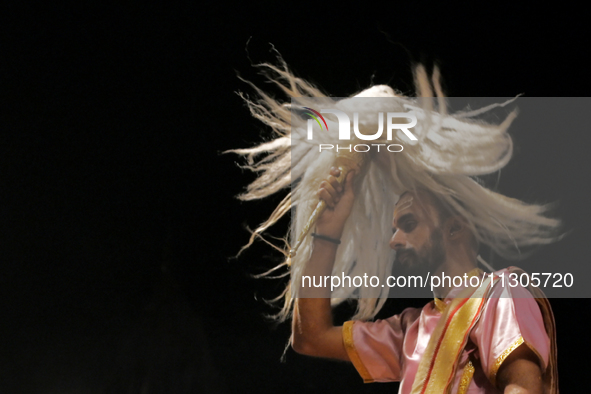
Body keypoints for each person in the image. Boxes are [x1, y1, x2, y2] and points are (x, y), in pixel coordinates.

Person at [229, 58, 561, 393]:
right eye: (394, 229)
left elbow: (522, 387)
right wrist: (329, 229)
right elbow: (310, 338)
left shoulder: (499, 295)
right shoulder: (410, 331)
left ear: (455, 228)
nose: (394, 240)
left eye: (409, 223)